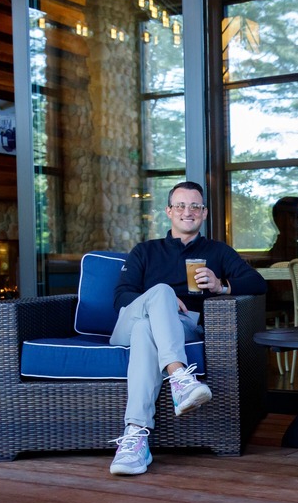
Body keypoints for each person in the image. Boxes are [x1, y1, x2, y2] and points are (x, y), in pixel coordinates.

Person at [108, 180, 266, 476]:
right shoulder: (145, 250)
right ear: (169, 211)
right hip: (128, 323)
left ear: (204, 213)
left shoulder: (217, 251)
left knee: (146, 331)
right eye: (180, 205)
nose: (187, 211)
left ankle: (135, 437)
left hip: (183, 326)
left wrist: (221, 286)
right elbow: (121, 297)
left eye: (195, 206)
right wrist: (162, 299)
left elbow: (258, 283)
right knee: (159, 295)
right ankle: (180, 377)